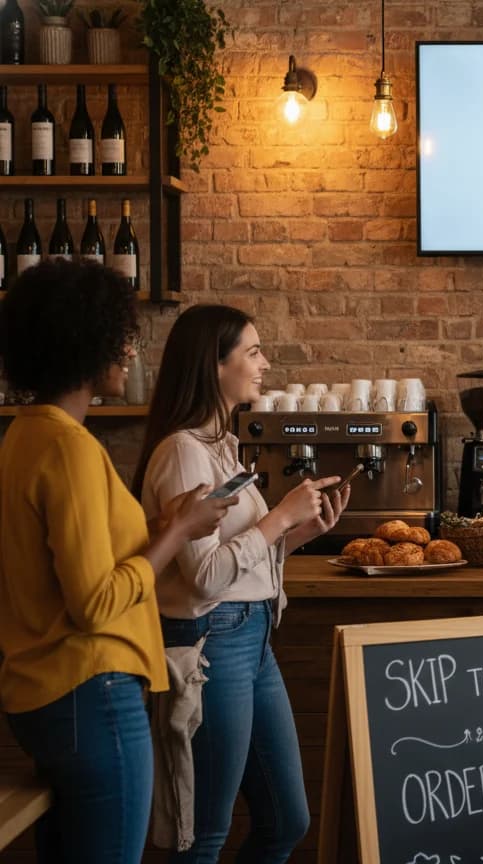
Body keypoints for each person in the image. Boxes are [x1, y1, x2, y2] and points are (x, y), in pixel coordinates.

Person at [0, 261, 232, 864]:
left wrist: (157, 527)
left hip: (44, 693)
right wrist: (178, 531)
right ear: (85, 341)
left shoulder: (23, 436)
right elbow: (94, 602)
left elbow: (65, 563)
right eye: (122, 337)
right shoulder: (70, 448)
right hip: (92, 689)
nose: (130, 351)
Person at [131, 304, 349, 864]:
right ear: (215, 364)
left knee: (287, 820)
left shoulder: (221, 446)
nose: (265, 362)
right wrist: (278, 517)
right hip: (212, 644)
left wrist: (300, 532)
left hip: (252, 640)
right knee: (206, 833)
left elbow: (239, 566)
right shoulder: (181, 452)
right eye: (253, 352)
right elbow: (204, 579)